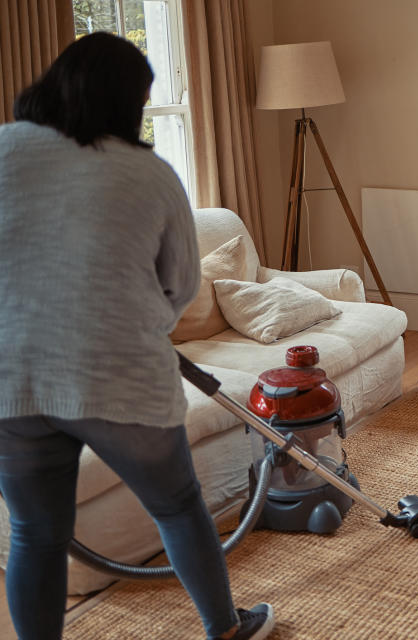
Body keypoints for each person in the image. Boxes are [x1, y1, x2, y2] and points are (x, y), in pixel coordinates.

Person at [0, 33, 274, 640]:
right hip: (119, 374)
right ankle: (226, 629)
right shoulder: (148, 173)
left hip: (13, 377)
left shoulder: (3, 149)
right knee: (178, 506)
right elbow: (180, 286)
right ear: (127, 103)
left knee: (35, 535)